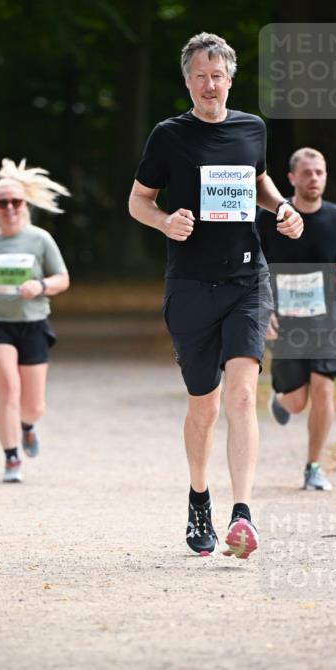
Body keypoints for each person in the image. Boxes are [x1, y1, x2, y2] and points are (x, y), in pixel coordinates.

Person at [128, 32, 303, 559]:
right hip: (189, 285)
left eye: (217, 76)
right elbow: (138, 201)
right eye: (200, 76)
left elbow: (260, 182)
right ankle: (199, 495)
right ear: (188, 82)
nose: (210, 85)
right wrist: (165, 222)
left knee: (242, 395)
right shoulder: (168, 136)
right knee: (203, 405)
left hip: (247, 281)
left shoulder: (253, 128)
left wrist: (283, 207)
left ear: (230, 79)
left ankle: (243, 512)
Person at [257, 147, 336, 491]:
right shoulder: (269, 218)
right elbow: (251, 266)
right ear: (291, 178)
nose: (314, 178)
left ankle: (314, 467)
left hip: (327, 319)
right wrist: (262, 309)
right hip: (285, 321)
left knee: (323, 389)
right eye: (306, 173)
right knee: (296, 402)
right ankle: (280, 399)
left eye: (319, 172)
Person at [0, 157, 70, 483]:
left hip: (33, 322)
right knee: (8, 389)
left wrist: (41, 286)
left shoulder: (40, 239)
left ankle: (27, 426)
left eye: (15, 201)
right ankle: (11, 457)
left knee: (33, 405)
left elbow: (62, 278)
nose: (9, 207)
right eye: (2, 202)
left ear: (25, 204)